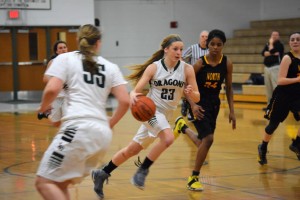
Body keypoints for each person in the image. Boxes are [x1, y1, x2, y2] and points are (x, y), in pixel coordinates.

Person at [91, 34, 200, 199]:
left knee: (131, 150)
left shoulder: (187, 69)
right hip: (151, 112)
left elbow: (198, 97)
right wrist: (134, 95)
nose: (179, 52)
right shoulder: (154, 68)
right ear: (166, 50)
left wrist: (192, 93)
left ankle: (102, 172)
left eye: (181, 49)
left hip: (165, 116)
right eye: (175, 49)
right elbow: (136, 89)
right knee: (168, 138)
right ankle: (142, 171)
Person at [35, 24, 130, 200]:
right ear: (99, 43)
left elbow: (51, 90)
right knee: (60, 183)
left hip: (77, 129)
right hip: (102, 136)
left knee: (44, 182)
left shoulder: (65, 59)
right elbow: (125, 101)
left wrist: (42, 108)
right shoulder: (111, 66)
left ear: (78, 41)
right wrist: (111, 123)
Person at [173, 29, 236, 191]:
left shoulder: (227, 63)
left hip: (214, 104)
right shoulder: (200, 63)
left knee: (203, 142)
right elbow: (185, 84)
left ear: (223, 46)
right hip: (199, 103)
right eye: (212, 44)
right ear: (207, 45)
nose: (215, 47)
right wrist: (193, 105)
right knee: (208, 139)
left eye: (219, 45)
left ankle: (183, 127)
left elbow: (229, 88)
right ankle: (193, 177)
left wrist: (232, 110)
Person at [258, 32, 300, 165]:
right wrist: (298, 79)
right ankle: (263, 147)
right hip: (283, 95)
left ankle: (297, 144)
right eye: (292, 40)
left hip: (297, 96)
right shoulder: (288, 58)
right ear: (289, 43)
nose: (295, 41)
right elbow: (280, 80)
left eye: (298, 39)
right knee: (272, 126)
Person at [181, 30, 209, 121]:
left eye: (206, 37)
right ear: (199, 38)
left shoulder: (210, 50)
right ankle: (189, 110)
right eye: (203, 36)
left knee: (202, 96)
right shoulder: (193, 48)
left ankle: (201, 112)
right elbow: (182, 58)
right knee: (192, 93)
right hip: (194, 76)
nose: (205, 38)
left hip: (205, 77)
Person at [42, 40, 68, 127]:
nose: (63, 49)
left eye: (64, 47)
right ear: (57, 51)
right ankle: (46, 113)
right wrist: (57, 83)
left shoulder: (71, 61)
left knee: (68, 120)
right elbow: (45, 79)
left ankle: (65, 138)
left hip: (68, 96)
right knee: (56, 123)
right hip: (56, 96)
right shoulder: (53, 62)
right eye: (60, 48)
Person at [261, 31, 284, 110]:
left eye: (276, 35)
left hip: (275, 68)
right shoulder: (267, 44)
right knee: (269, 88)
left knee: (276, 87)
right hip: (267, 68)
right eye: (273, 35)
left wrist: (270, 46)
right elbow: (263, 53)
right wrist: (271, 53)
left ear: (279, 37)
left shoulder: (280, 45)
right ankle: (270, 106)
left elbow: (271, 51)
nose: (274, 36)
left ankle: (279, 106)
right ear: (271, 36)